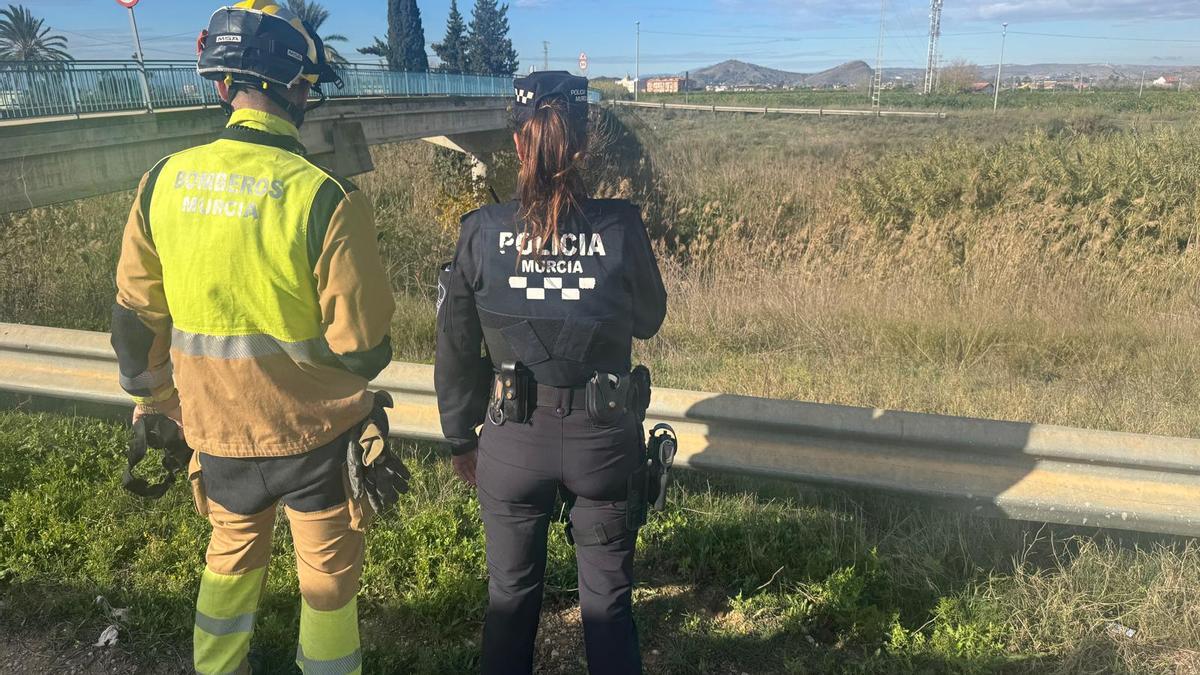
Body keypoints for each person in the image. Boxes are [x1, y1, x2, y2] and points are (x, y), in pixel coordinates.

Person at [110, 2, 396, 673]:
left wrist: (154, 399)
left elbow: (135, 317)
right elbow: (362, 346)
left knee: (229, 560)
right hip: (316, 436)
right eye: (307, 87)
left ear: (222, 85)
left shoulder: (162, 184)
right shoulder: (325, 196)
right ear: (295, 89)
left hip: (216, 429)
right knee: (326, 581)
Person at [435, 71, 668, 675]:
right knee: (609, 607)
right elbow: (648, 320)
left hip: (511, 444)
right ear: (585, 144)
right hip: (604, 442)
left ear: (516, 144)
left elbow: (457, 347)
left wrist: (461, 438)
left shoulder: (480, 233)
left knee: (510, 602)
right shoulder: (621, 226)